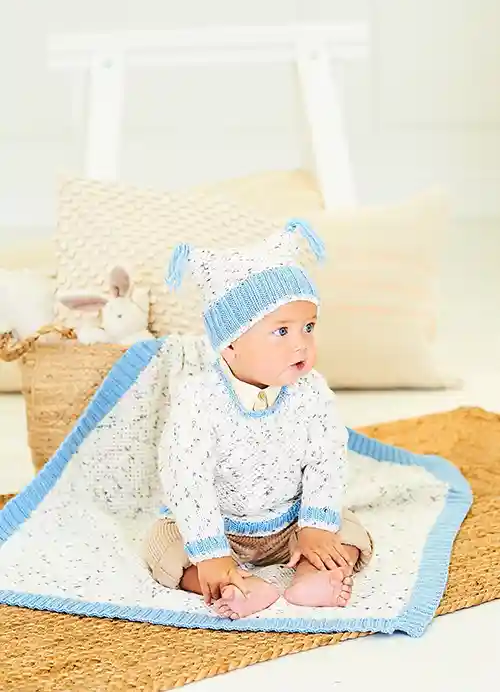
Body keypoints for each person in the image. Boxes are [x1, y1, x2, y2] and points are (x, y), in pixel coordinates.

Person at [144, 219, 372, 619]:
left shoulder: (312, 391)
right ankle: (231, 585)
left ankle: (313, 575)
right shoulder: (198, 399)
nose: (301, 343)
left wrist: (315, 525)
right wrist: (210, 552)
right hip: (222, 529)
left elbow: (327, 458)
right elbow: (187, 477)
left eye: (308, 327)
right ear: (230, 344)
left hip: (291, 525)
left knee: (350, 531)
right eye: (281, 331)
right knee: (162, 547)